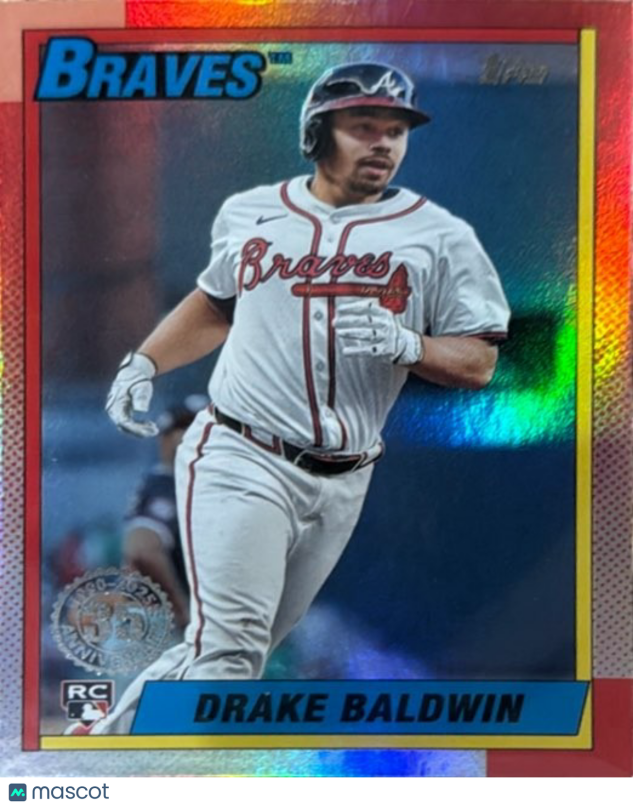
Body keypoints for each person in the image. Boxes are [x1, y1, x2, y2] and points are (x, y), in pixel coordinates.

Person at [96, 62, 511, 734]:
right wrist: (145, 361)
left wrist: (411, 345)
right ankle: (156, 770)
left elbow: (480, 361)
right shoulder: (251, 211)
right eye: (363, 126)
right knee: (230, 656)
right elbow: (216, 302)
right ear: (317, 134)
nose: (382, 142)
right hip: (243, 452)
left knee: (235, 649)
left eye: (395, 130)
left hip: (344, 477)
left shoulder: (441, 236)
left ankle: (102, 747)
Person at [122, 396, 208, 630]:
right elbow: (142, 548)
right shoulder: (167, 485)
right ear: (165, 440)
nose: (197, 434)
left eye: (206, 427)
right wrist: (183, 612)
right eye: (185, 426)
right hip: (161, 628)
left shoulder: (197, 488)